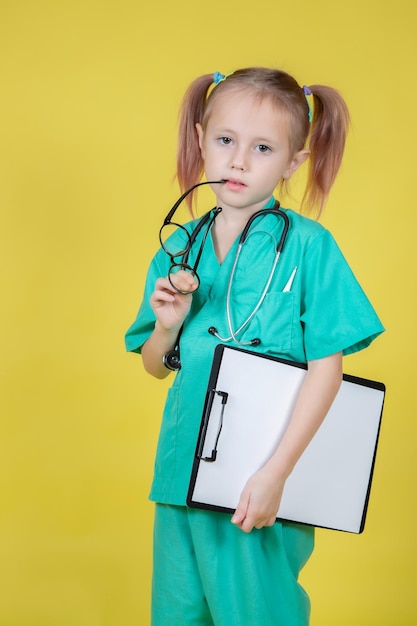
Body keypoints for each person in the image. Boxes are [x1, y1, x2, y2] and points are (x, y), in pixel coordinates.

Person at [125, 67, 384, 626]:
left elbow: (327, 371)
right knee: (177, 615)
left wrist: (276, 475)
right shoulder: (180, 245)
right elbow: (154, 364)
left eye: (262, 147)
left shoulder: (310, 247)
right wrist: (167, 325)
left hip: (256, 479)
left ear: (292, 161)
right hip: (178, 475)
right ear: (201, 140)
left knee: (256, 613)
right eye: (226, 141)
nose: (239, 161)